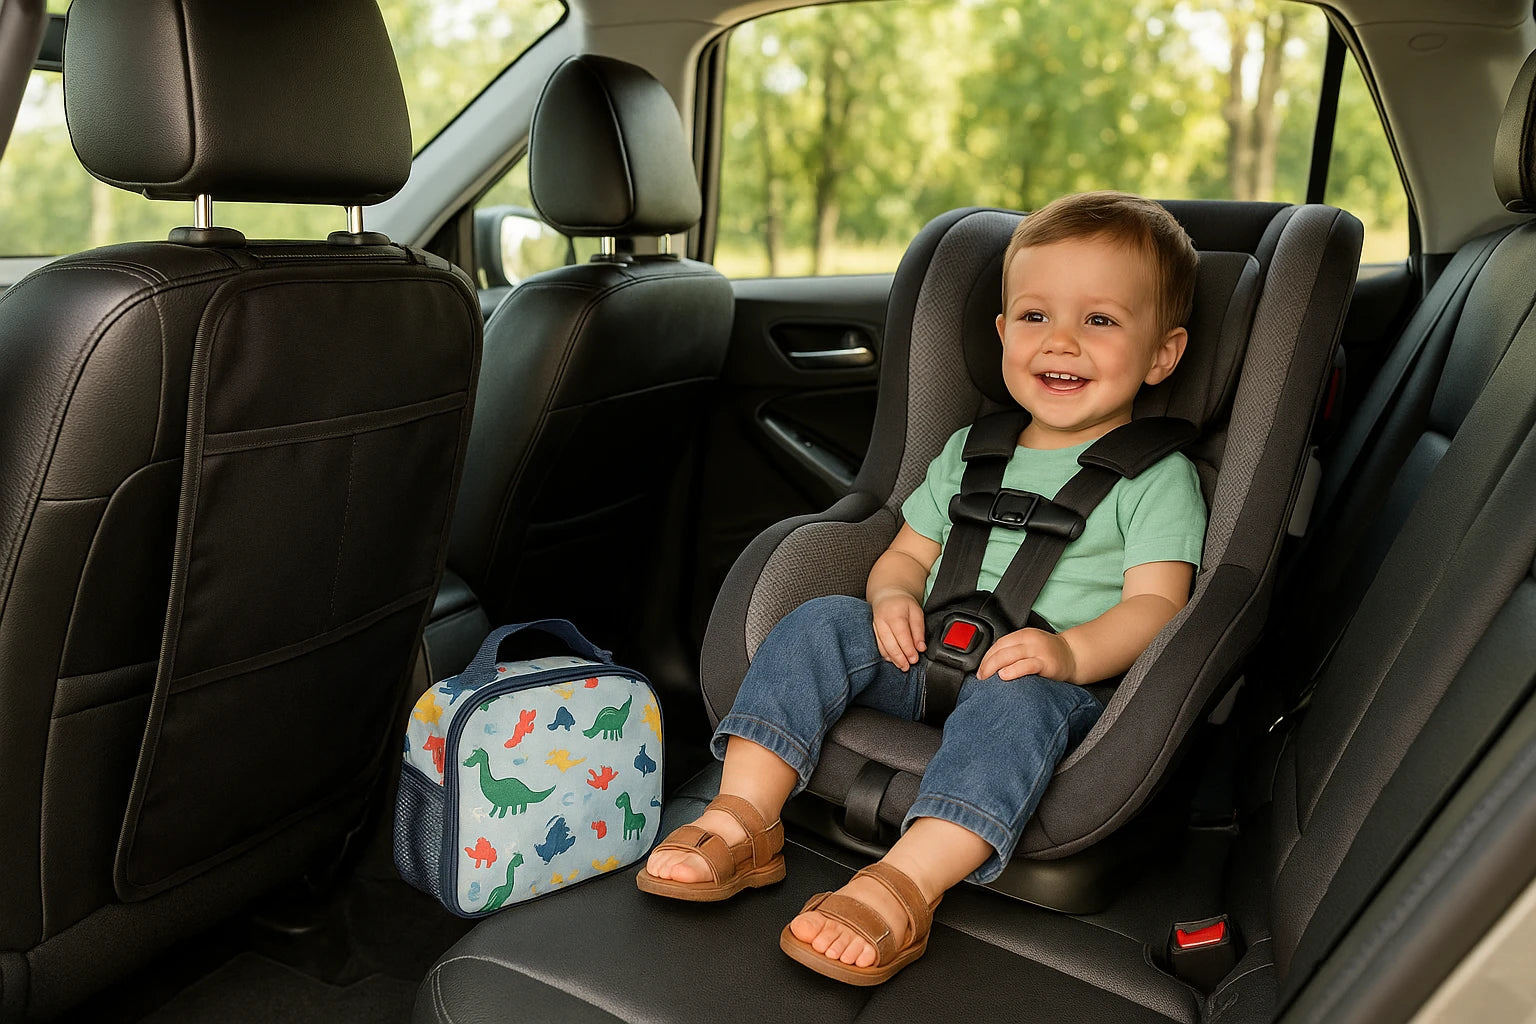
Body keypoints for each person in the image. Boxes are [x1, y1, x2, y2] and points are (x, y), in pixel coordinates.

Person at [637, 191, 1207, 986]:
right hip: (926, 652)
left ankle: (907, 883)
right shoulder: (974, 451)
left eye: (1101, 321)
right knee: (819, 622)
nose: (1062, 342)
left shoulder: (1159, 477)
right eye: (1036, 317)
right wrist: (892, 599)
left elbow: (1158, 606)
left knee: (1015, 707)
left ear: (1162, 355)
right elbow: (906, 554)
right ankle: (744, 815)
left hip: (1045, 686)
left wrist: (1069, 653)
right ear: (1004, 333)